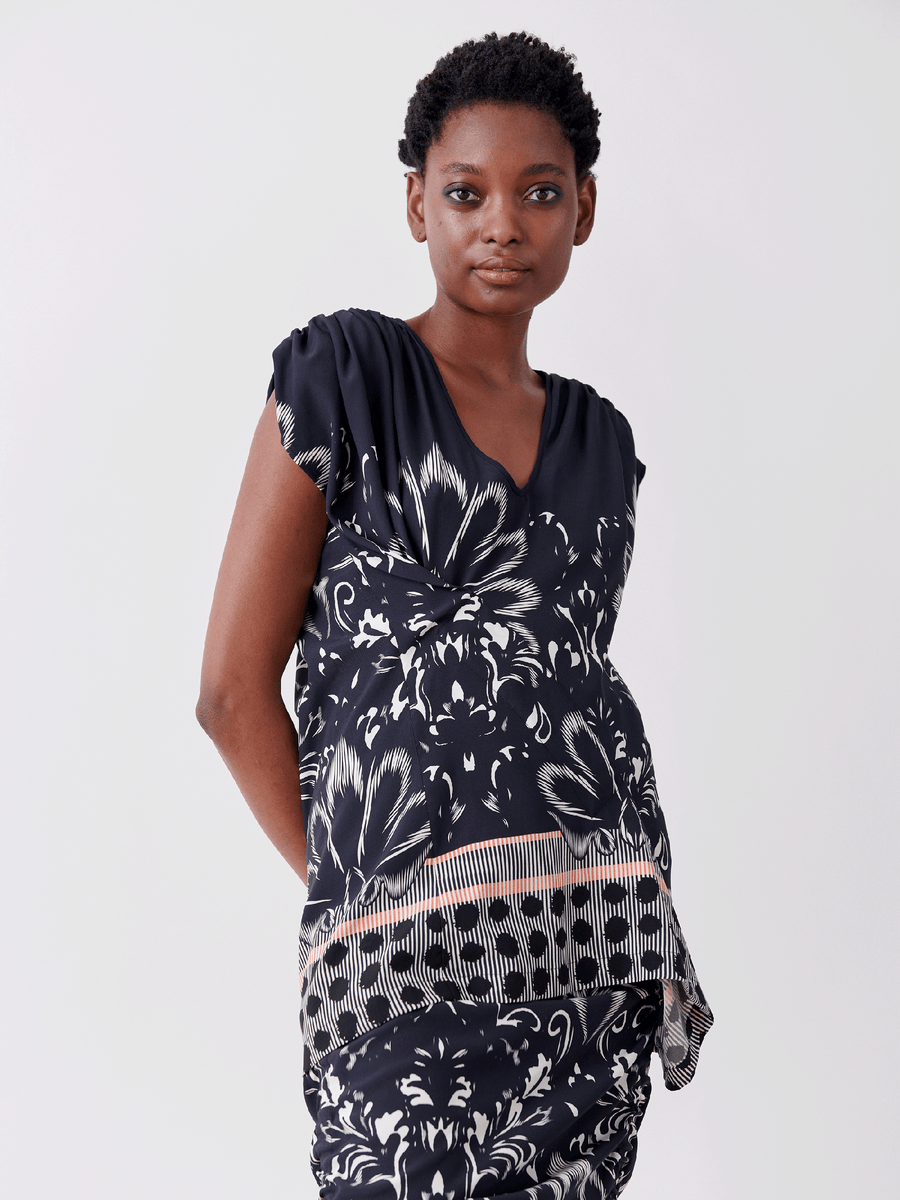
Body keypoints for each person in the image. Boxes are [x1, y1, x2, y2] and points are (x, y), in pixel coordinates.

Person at [197, 30, 712, 1200]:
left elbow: (556, 697)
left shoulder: (604, 442)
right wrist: (357, 880)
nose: (503, 225)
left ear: (583, 210)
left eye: (540, 193)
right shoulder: (345, 373)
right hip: (396, 959)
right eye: (466, 193)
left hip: (589, 936)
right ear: (415, 203)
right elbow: (230, 693)